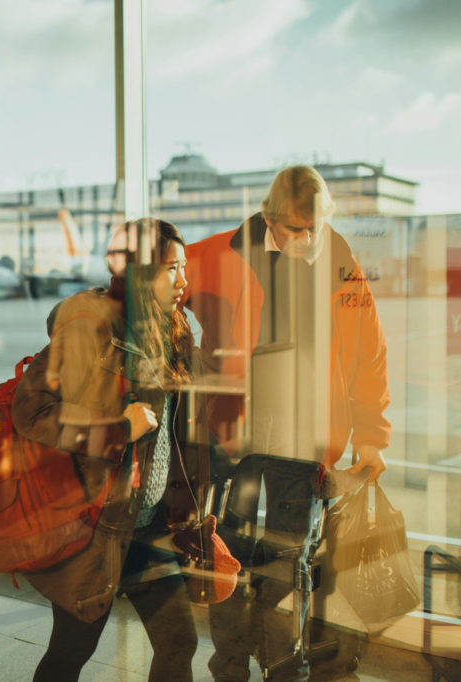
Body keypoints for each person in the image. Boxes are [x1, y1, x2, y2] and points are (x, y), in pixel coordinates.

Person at [180, 166, 391, 682]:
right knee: (226, 552)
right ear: (270, 219)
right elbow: (159, 283)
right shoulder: (221, 253)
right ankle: (230, 663)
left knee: (286, 557)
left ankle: (272, 650)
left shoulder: (341, 264)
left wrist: (371, 437)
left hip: (303, 440)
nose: (304, 239)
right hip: (236, 437)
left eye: (313, 228)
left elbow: (370, 355)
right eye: (293, 229)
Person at [13, 218, 210, 682]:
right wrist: (118, 427)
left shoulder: (172, 331)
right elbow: (31, 412)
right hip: (96, 528)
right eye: (171, 269)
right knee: (70, 653)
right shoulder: (92, 330)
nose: (184, 280)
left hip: (147, 525)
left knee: (179, 641)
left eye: (184, 267)